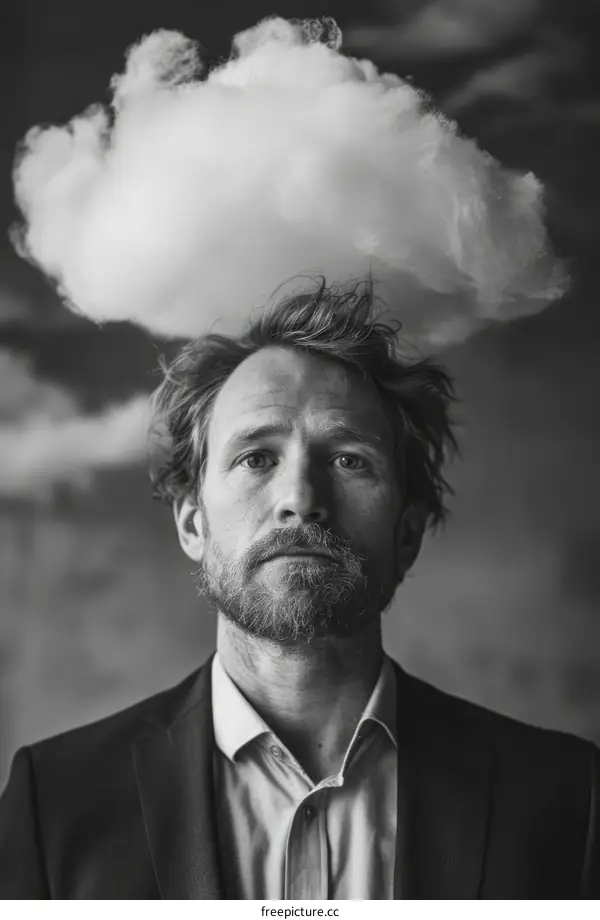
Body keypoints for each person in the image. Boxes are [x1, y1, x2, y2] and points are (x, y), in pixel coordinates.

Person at [0, 282, 598, 899]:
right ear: (191, 523)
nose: (300, 500)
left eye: (348, 460)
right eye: (257, 458)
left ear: (407, 533)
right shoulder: (52, 806)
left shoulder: (567, 802)